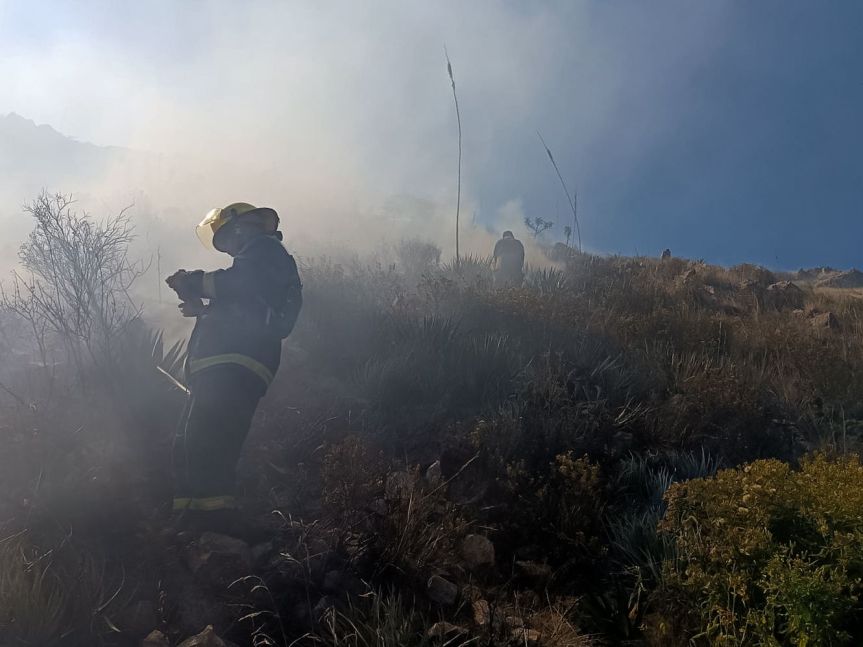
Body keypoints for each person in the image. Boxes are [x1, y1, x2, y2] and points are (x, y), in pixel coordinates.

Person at [165, 203, 302, 529]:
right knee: (191, 439)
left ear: (241, 228)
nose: (226, 248)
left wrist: (192, 282)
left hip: (233, 362)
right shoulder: (263, 263)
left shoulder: (266, 251)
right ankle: (190, 515)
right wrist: (204, 310)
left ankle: (215, 519)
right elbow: (244, 304)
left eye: (225, 239)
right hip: (226, 363)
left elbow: (237, 284)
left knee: (210, 437)